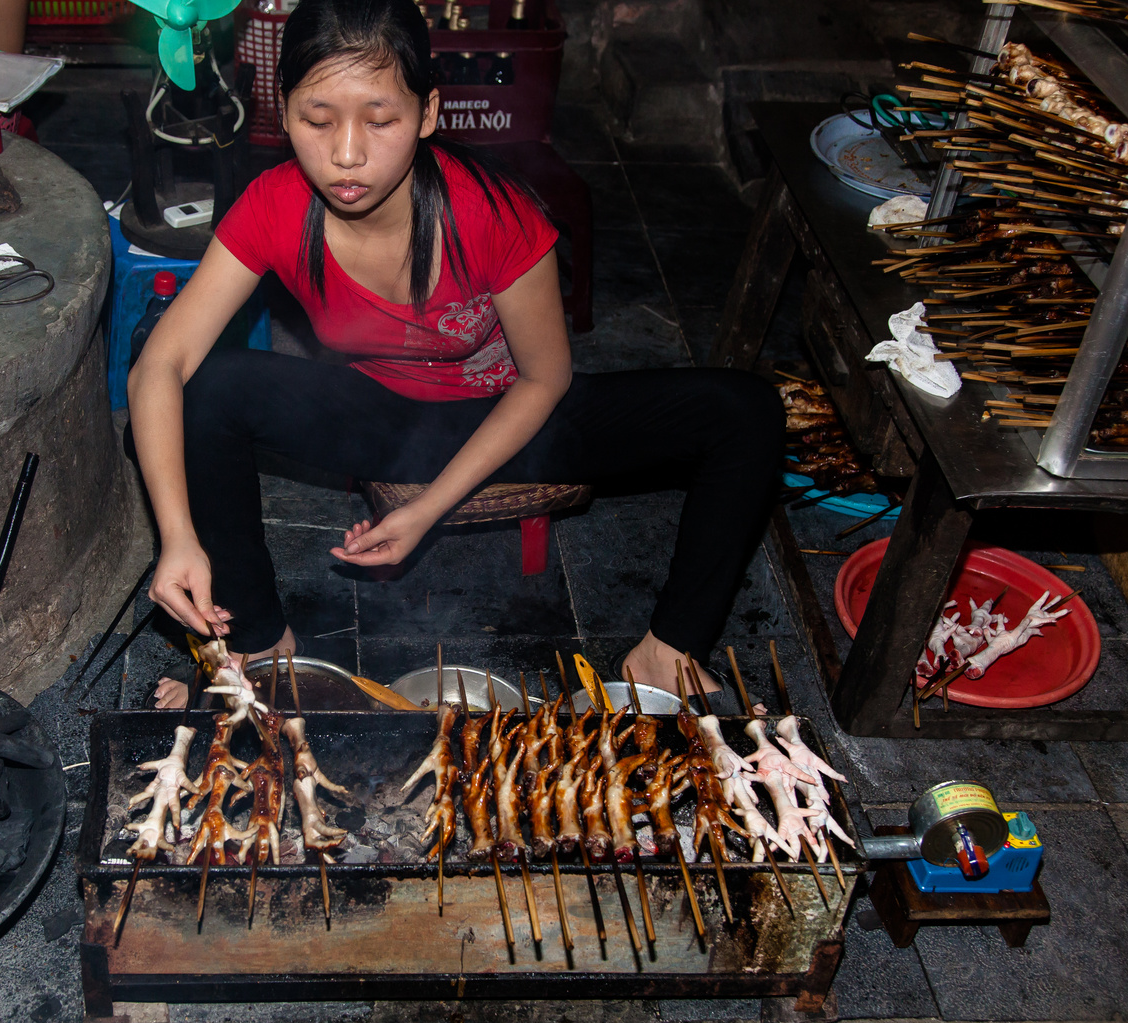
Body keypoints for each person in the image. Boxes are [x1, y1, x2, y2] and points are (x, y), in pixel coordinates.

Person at [126, 0, 783, 707]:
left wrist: (428, 509)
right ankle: (256, 645)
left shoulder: (492, 213)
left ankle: (666, 653)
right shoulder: (274, 206)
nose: (347, 153)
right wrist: (178, 539)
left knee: (743, 410)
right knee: (209, 388)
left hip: (511, 417)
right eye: (319, 120)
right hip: (386, 418)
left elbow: (546, 377)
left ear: (429, 113)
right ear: (283, 114)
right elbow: (158, 365)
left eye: (381, 121)